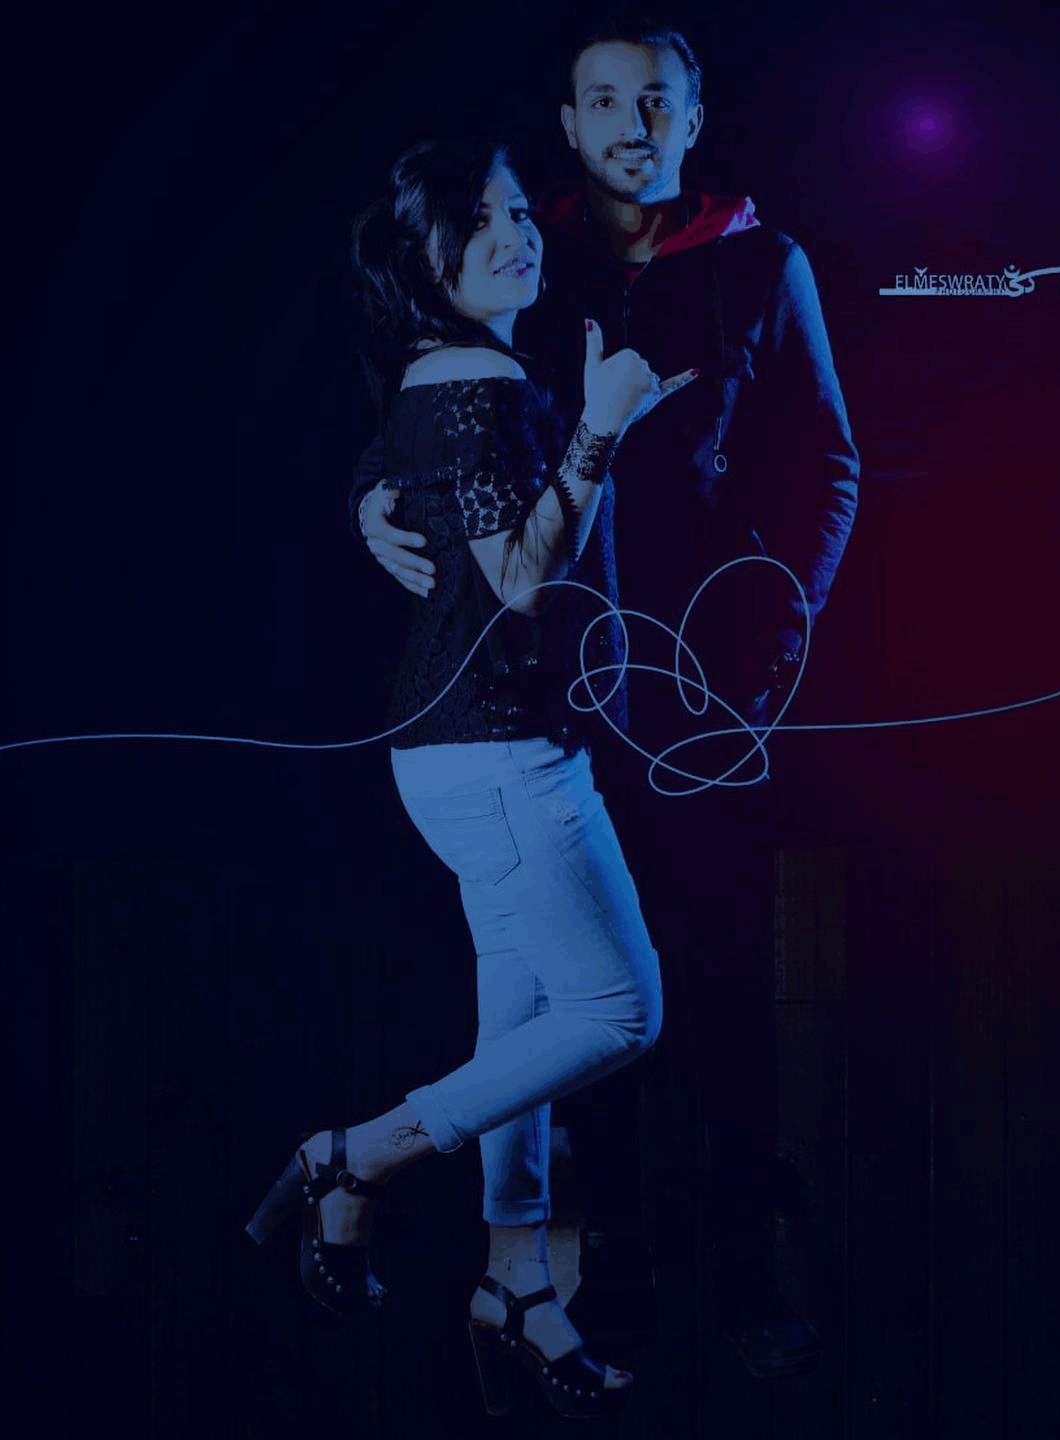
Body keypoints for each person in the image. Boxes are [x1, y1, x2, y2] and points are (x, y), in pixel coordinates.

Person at [352, 21, 859, 1381]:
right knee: (568, 1012)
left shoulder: (761, 263)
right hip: (550, 702)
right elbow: (426, 385)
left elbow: (829, 467)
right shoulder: (533, 248)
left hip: (707, 709)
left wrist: (764, 663)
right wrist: (367, 499)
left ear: (693, 118)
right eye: (605, 101)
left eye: (658, 101)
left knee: (715, 995)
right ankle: (593, 1291)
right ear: (570, 124)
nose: (634, 124)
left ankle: (742, 1291)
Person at [247, 137, 701, 1419]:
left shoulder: (442, 371)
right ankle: (354, 1158)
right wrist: (600, 426)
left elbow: (437, 491)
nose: (518, 234)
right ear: (426, 260)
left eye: (519, 212)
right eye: (483, 220)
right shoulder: (476, 378)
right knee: (620, 1013)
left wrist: (377, 492)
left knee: (523, 1034)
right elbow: (521, 584)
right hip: (502, 759)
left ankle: (515, 1282)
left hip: (469, 756)